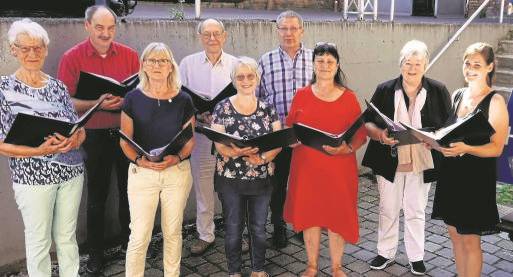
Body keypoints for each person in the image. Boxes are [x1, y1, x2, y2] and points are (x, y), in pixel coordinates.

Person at [0, 18, 86, 276]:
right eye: (24, 48)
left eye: (38, 47)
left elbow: (79, 129)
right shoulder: (3, 89)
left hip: (71, 174)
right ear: (12, 49)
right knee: (39, 242)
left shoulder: (58, 87)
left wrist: (75, 139)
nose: (32, 53)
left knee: (67, 237)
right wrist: (40, 151)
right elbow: (2, 144)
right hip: (33, 179)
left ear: (46, 49)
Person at [57, 5, 139, 273]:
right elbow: (65, 101)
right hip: (92, 136)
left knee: (130, 193)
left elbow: (141, 96)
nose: (106, 33)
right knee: (96, 197)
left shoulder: (130, 56)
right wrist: (98, 103)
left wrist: (124, 101)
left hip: (127, 133)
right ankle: (95, 256)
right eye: (100, 27)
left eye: (111, 28)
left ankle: (130, 247)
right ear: (87, 26)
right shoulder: (72, 57)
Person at [362, 40, 451, 275]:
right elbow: (367, 121)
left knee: (415, 209)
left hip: (423, 160)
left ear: (426, 65)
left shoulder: (438, 90)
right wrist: (380, 134)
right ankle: (385, 252)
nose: (412, 69)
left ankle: (416, 257)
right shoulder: (385, 89)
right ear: (400, 64)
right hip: (390, 157)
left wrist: (434, 139)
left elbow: (449, 126)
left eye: (418, 64)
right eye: (407, 63)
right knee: (387, 208)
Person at [284, 43, 367, 277]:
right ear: (313, 65)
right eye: (320, 61)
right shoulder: (301, 95)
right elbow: (291, 128)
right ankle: (311, 266)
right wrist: (291, 140)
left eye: (330, 61)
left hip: (339, 167)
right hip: (307, 167)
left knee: (336, 216)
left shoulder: (349, 98)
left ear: (337, 65)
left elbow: (360, 134)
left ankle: (337, 267)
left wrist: (348, 148)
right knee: (310, 216)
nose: (325, 65)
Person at [432, 42, 508, 277]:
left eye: (477, 64)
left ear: (490, 67)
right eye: (467, 63)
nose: (471, 69)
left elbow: (496, 149)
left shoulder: (495, 102)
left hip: (475, 181)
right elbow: (448, 133)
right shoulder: (458, 95)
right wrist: (436, 142)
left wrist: (466, 148)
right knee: (454, 235)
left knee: (471, 241)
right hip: (451, 176)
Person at [120, 42, 195, 277]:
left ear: (171, 66)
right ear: (143, 65)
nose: (157, 65)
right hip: (143, 174)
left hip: (176, 172)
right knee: (140, 234)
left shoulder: (184, 99)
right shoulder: (132, 98)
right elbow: (124, 140)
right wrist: (140, 161)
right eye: (151, 60)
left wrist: (177, 157)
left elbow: (189, 139)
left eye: (163, 60)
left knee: (172, 232)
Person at [211, 57, 281, 277]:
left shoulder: (268, 108)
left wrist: (262, 159)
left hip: (261, 180)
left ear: (257, 79)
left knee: (259, 229)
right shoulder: (222, 107)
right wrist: (238, 152)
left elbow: (278, 141)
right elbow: (219, 144)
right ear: (233, 80)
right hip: (230, 180)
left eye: (250, 76)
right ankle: (234, 271)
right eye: (240, 76)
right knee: (233, 230)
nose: (245, 80)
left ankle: (258, 269)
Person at [179, 18, 240, 255]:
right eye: (207, 34)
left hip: (229, 136)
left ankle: (235, 233)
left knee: (231, 186)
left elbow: (244, 96)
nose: (212, 38)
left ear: (225, 36)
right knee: (203, 185)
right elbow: (180, 97)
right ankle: (206, 234)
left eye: (216, 34)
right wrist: (197, 113)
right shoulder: (187, 64)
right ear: (200, 37)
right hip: (202, 136)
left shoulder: (235, 64)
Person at [256, 10, 313, 248]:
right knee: (277, 185)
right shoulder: (264, 61)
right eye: (284, 28)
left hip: (307, 136)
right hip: (277, 135)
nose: (288, 33)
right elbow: (258, 100)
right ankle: (278, 228)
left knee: (305, 185)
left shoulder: (315, 59)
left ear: (302, 30)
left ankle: (302, 226)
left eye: (293, 28)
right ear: (277, 31)